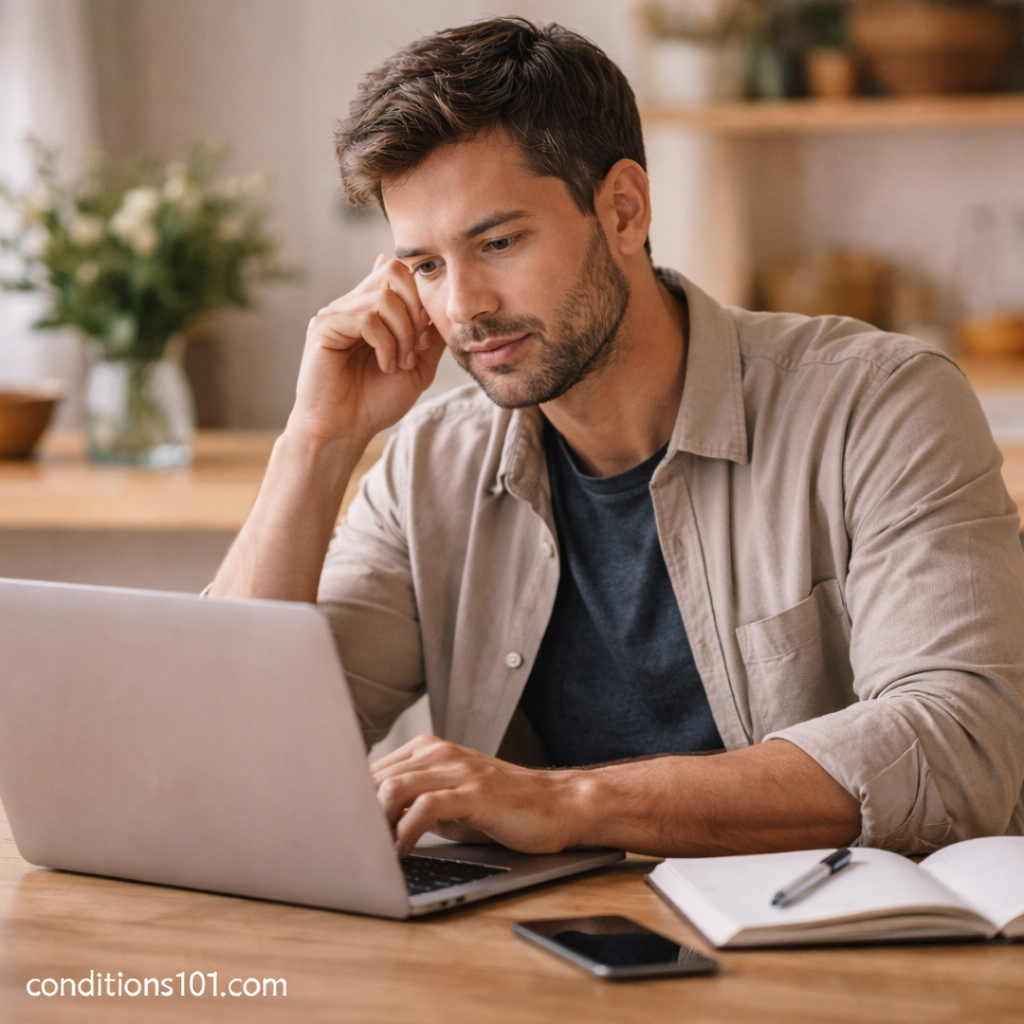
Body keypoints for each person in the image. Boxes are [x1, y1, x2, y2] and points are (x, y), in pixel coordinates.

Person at [210, 18, 1024, 859]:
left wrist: (571, 801)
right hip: (528, 965)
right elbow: (226, 755)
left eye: (497, 242)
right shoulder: (430, 466)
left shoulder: (879, 406)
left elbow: (958, 743)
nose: (462, 309)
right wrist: (316, 442)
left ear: (623, 209)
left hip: (831, 961)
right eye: (425, 265)